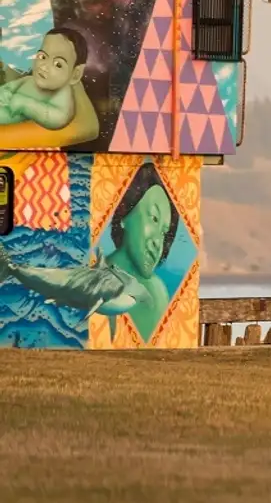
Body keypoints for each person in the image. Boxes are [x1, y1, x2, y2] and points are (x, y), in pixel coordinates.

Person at [0, 162, 179, 341]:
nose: (159, 242)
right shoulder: (111, 282)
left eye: (165, 231)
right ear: (124, 216)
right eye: (154, 218)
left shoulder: (158, 293)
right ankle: (9, 267)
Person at [0, 28, 87, 129]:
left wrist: (26, 104)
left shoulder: (62, 93)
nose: (44, 67)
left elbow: (59, 118)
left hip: (9, 112)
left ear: (75, 74)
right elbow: (11, 86)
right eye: (42, 57)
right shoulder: (30, 79)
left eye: (58, 64)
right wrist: (6, 91)